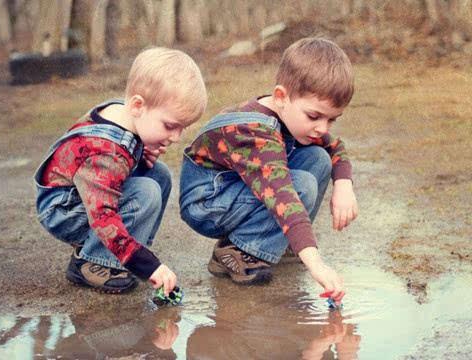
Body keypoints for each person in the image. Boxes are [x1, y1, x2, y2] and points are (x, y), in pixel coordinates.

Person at [179, 37, 358, 304]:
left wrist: (344, 185)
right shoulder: (255, 132)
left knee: (318, 158)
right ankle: (239, 252)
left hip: (234, 188)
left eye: (331, 119)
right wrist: (316, 265)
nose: (323, 127)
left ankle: (279, 243)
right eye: (314, 116)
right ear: (281, 97)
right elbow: (283, 196)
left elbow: (334, 146)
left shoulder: (291, 115)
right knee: (301, 186)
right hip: (206, 200)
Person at [34, 47, 207, 295]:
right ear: (138, 105)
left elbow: (117, 161)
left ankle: (128, 251)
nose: (176, 138)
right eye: (170, 126)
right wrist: (149, 266)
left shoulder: (122, 113)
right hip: (63, 211)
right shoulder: (105, 153)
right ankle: (94, 262)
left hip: (82, 197)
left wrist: (138, 152)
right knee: (146, 191)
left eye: (182, 128)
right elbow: (103, 215)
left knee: (159, 175)